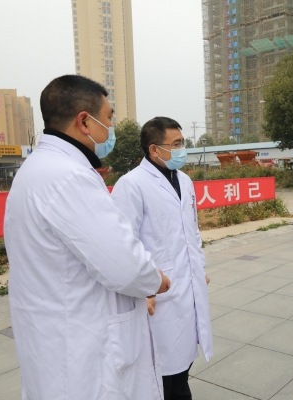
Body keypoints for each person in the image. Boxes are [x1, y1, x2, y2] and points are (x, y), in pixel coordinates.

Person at [4, 75, 171, 400]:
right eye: (108, 119)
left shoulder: (35, 170)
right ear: (84, 122)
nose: (110, 130)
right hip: (85, 355)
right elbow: (124, 266)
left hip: (54, 340)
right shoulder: (69, 176)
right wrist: (156, 280)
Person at [112, 117, 213, 400]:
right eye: (176, 144)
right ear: (154, 149)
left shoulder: (185, 181)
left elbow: (191, 232)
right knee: (162, 374)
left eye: (182, 142)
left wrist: (198, 267)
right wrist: (142, 289)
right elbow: (124, 245)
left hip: (186, 287)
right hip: (157, 294)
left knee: (183, 365)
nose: (182, 149)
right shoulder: (131, 185)